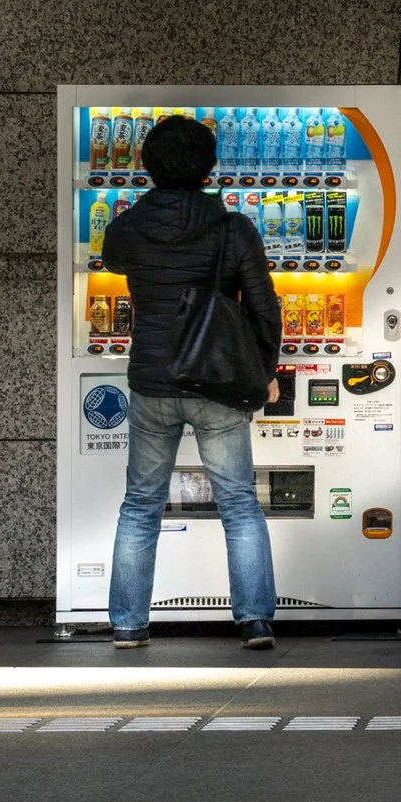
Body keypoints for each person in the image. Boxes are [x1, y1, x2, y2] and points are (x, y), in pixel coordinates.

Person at [103, 112, 284, 651]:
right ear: (209, 167)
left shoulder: (128, 226)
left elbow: (112, 258)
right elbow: (265, 307)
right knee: (239, 503)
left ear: (147, 166)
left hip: (152, 381)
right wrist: (265, 373)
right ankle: (255, 620)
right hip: (216, 381)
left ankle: (128, 624)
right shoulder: (233, 228)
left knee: (140, 505)